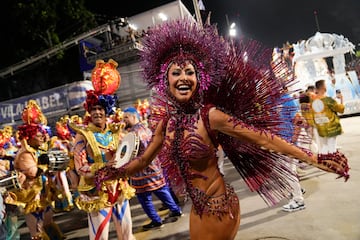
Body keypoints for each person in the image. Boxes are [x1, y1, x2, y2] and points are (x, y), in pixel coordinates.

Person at [95, 20, 349, 240]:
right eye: (176, 72)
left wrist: (315, 158)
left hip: (220, 206)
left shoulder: (210, 116)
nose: (183, 77)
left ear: (200, 78)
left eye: (190, 72)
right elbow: (144, 160)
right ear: (165, 80)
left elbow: (265, 139)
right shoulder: (166, 123)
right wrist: (113, 172)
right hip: (198, 208)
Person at [71, 59, 135, 240]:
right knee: (100, 237)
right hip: (97, 193)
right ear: (89, 112)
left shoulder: (116, 131)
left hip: (119, 188)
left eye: (101, 109)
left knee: (127, 233)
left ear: (107, 111)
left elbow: (127, 154)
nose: (97, 112)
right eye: (94, 109)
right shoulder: (82, 136)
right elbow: (80, 167)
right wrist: (102, 167)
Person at [5, 100, 63, 240]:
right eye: (39, 135)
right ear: (30, 137)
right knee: (37, 231)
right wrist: (44, 165)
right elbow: (32, 173)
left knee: (48, 221)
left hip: (44, 193)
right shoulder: (25, 153)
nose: (43, 137)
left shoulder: (38, 149)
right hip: (32, 198)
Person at [122, 107, 183, 229]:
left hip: (142, 171)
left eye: (126, 117)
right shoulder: (146, 129)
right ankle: (176, 210)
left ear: (134, 117)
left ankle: (156, 220)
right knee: (161, 190)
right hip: (154, 167)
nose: (124, 120)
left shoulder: (133, 134)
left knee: (144, 197)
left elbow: (133, 153)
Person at [277, 87, 306, 212]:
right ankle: (297, 190)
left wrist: (293, 139)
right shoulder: (270, 101)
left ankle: (298, 200)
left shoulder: (288, 100)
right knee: (288, 171)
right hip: (278, 142)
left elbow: (298, 120)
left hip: (287, 142)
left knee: (287, 171)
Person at [311, 79, 345, 156]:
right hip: (331, 128)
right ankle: (333, 164)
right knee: (332, 147)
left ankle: (325, 163)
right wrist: (342, 98)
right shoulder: (328, 100)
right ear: (323, 88)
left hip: (321, 127)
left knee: (324, 147)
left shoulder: (313, 101)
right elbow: (341, 109)